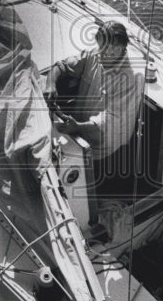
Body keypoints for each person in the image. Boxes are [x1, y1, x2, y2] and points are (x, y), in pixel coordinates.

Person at [45, 20, 144, 222]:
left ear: (124, 47)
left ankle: (90, 218)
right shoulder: (93, 55)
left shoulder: (131, 77)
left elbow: (111, 120)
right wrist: (50, 82)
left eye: (113, 48)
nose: (106, 53)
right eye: (103, 46)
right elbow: (62, 66)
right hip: (80, 133)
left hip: (105, 146)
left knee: (93, 189)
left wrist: (77, 127)